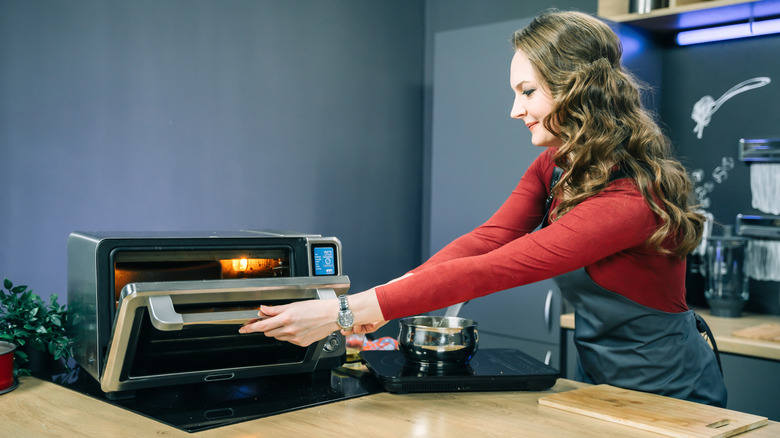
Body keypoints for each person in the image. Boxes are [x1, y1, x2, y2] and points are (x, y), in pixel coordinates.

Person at [240, 9, 727, 407]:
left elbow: (494, 269)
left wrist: (345, 312)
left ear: (578, 88)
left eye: (527, 91)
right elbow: (486, 241)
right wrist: (378, 303)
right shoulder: (554, 166)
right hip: (599, 380)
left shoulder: (631, 199)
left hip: (672, 391)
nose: (515, 110)